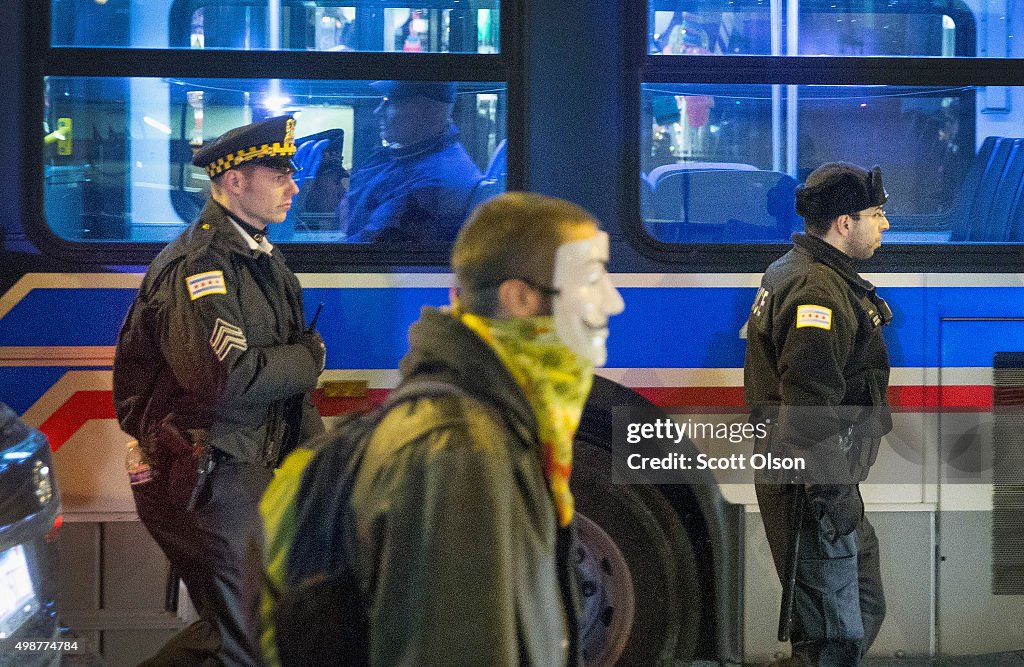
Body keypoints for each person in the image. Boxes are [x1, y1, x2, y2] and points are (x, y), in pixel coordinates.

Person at [342, 192, 621, 664]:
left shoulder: (500, 419)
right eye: (592, 280)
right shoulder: (459, 448)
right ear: (519, 298)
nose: (612, 302)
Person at [113, 115, 326, 667]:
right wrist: (308, 359)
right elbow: (225, 382)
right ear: (234, 181)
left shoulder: (262, 259)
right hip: (203, 472)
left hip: (241, 467)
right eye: (279, 174)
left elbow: (281, 393)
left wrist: (316, 463)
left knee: (255, 631)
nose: (294, 186)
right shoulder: (200, 267)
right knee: (242, 635)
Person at [744, 162, 893, 666]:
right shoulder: (816, 292)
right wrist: (833, 498)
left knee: (864, 604)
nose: (885, 225)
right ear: (844, 224)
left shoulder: (802, 271)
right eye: (877, 214)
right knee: (830, 638)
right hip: (814, 491)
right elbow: (807, 416)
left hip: (827, 485)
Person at [340, 80, 483, 244]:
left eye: (389, 102)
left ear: (429, 111)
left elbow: (364, 248)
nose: (378, 111)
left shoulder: (434, 181)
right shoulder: (408, 158)